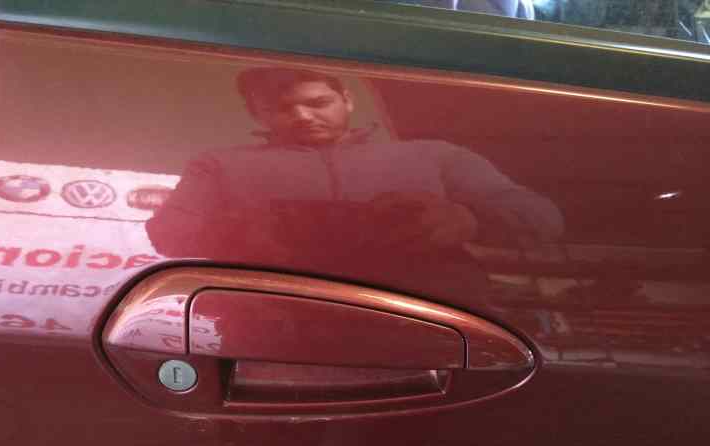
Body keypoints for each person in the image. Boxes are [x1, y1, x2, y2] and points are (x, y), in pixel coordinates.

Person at [146, 67, 562, 289]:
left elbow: (543, 217)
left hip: (427, 317)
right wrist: (241, 233)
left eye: (318, 102)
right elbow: (167, 232)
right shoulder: (219, 165)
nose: (303, 116)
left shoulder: (433, 155)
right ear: (258, 113)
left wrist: (467, 219)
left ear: (346, 99)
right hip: (275, 325)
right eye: (281, 109)